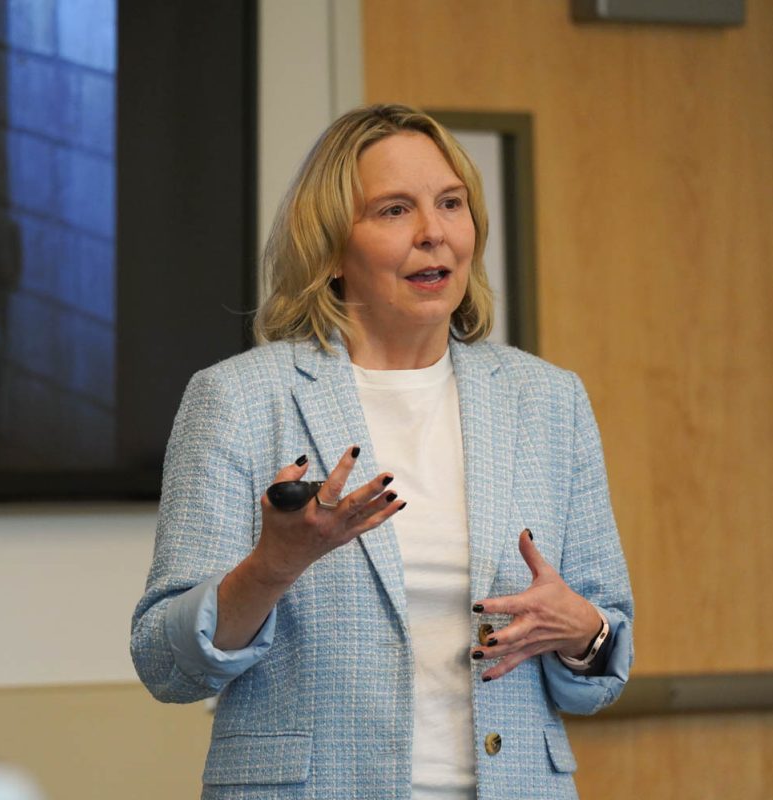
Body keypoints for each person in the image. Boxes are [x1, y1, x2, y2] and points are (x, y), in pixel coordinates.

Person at [130, 104, 633, 799]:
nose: (434, 234)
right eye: (396, 210)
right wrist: (271, 568)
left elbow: (604, 662)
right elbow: (166, 663)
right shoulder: (241, 399)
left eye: (451, 204)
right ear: (333, 249)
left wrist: (583, 632)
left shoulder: (548, 400)